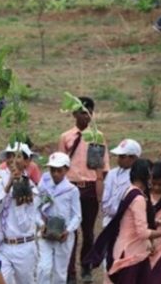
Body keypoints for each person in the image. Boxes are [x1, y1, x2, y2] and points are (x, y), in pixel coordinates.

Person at [84, 159, 161, 283]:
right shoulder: (138, 198)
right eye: (151, 174)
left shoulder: (130, 191)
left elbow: (134, 221)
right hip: (131, 253)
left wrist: (159, 225)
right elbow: (142, 232)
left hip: (132, 251)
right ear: (146, 175)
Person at [57, 96, 110, 284]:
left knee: (88, 231)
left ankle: (86, 267)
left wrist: (100, 193)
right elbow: (59, 165)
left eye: (89, 113)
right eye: (82, 112)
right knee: (70, 231)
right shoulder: (66, 137)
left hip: (88, 188)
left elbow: (102, 169)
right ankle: (70, 271)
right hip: (70, 187)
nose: (85, 117)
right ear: (74, 114)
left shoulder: (97, 137)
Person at [0, 143, 39, 284]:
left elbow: (24, 225)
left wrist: (19, 193)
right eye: (9, 156)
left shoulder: (31, 187)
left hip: (25, 246)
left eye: (17, 156)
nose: (12, 160)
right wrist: (9, 185)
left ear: (27, 161)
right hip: (4, 246)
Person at [37, 153, 82, 284]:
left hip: (64, 235)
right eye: (52, 170)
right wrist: (41, 223)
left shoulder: (72, 190)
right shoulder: (44, 185)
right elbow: (36, 209)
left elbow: (77, 215)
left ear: (66, 170)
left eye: (59, 170)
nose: (55, 174)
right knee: (43, 268)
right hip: (46, 232)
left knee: (59, 273)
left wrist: (68, 230)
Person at [101, 139, 142, 227]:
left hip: (126, 222)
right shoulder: (112, 173)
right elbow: (106, 198)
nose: (119, 159)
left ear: (134, 158)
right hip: (108, 220)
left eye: (122, 157)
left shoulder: (137, 177)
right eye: (119, 156)